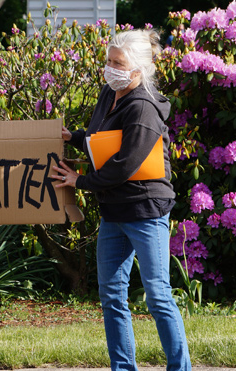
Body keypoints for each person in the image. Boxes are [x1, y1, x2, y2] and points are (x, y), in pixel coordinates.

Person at [52, 29, 191, 371]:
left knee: (157, 295)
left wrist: (79, 180)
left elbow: (126, 163)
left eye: (118, 63)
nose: (109, 67)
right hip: (113, 210)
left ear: (138, 70)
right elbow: (106, 140)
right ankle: (123, 368)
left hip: (145, 210)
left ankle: (180, 368)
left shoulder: (143, 106)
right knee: (112, 295)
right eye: (108, 60)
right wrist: (76, 137)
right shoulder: (109, 93)